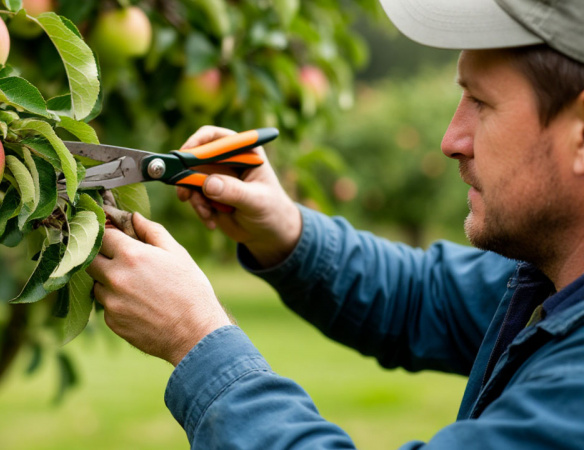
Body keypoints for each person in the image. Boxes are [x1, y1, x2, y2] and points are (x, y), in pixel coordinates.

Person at [86, 0, 584, 447]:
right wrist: (287, 233)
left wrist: (196, 339)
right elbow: (425, 299)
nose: (452, 139)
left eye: (482, 103)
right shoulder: (550, 281)